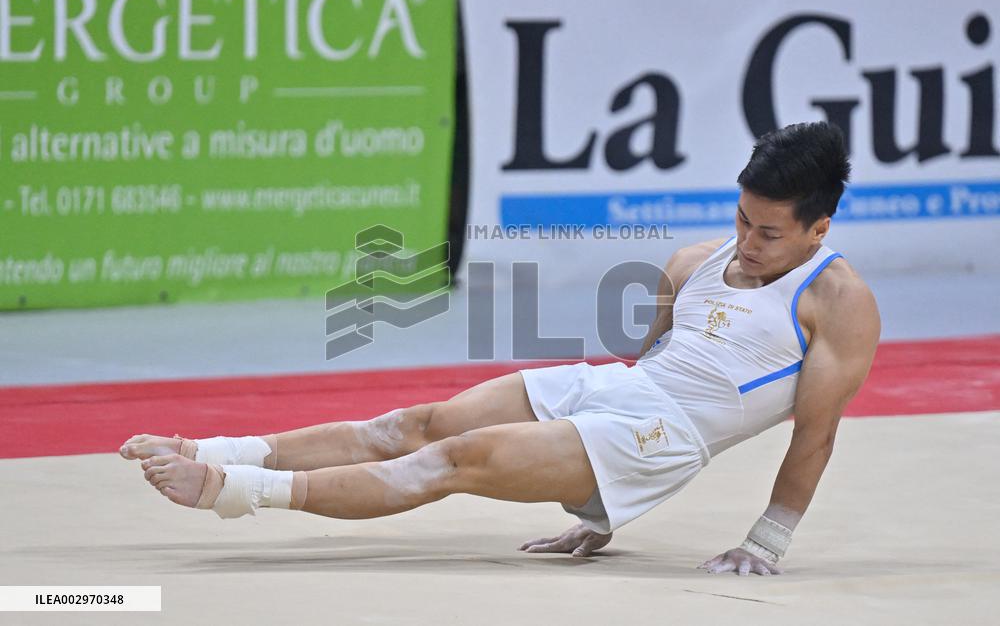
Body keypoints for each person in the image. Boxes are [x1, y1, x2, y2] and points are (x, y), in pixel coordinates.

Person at [120, 122, 880, 576]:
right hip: (618, 393)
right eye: (742, 219)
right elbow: (645, 365)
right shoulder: (693, 261)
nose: (746, 242)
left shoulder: (837, 303)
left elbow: (814, 434)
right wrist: (600, 510)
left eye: (768, 232)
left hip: (664, 435)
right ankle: (215, 448)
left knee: (453, 460)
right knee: (415, 425)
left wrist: (765, 543)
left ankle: (235, 490)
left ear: (820, 228)